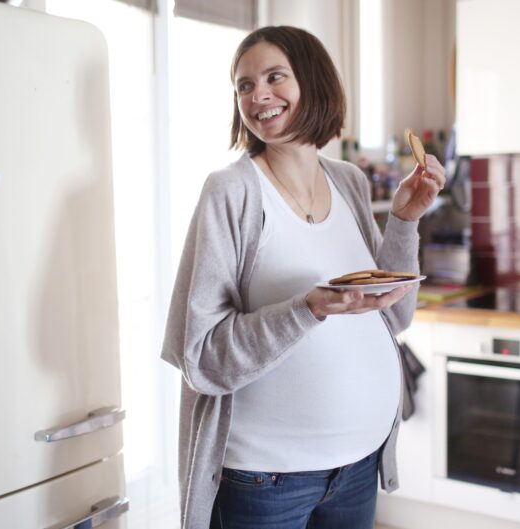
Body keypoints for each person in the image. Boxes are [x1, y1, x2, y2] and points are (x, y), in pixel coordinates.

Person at [161, 25, 446, 529]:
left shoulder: (350, 181)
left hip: (358, 466)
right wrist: (307, 308)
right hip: (265, 479)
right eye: (244, 85)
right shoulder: (231, 192)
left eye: (274, 77)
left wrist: (404, 220)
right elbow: (201, 356)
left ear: (313, 82)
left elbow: (394, 315)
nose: (258, 95)